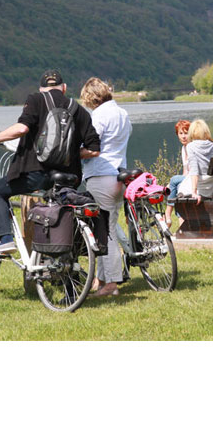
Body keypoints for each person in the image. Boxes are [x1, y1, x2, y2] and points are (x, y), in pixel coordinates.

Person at [0, 69, 101, 257]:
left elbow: (22, 128)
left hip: (37, 173)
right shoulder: (78, 110)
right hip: (68, 178)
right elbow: (94, 150)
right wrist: (69, 154)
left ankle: (5, 240)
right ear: (64, 88)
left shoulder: (36, 100)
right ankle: (63, 260)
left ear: (41, 89)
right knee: (60, 211)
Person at [80, 77, 132, 297]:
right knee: (104, 227)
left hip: (101, 175)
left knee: (106, 233)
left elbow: (91, 146)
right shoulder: (122, 113)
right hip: (119, 176)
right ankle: (100, 279)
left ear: (91, 98)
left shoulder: (98, 116)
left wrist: (73, 152)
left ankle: (111, 283)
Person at [164, 119, 191, 226]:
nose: (183, 136)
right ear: (177, 135)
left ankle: (167, 214)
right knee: (178, 187)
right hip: (189, 180)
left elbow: (193, 173)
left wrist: (172, 182)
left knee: (174, 179)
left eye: (186, 133)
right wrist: (171, 185)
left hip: (196, 181)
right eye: (181, 133)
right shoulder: (184, 148)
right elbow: (185, 172)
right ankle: (182, 226)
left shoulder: (192, 148)